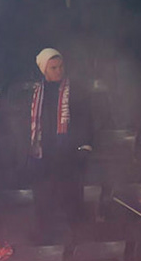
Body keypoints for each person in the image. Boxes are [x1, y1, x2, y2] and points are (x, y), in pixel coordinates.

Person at [13, 48, 91, 237]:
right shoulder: (34, 94)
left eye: (60, 66)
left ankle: (77, 245)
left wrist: (84, 148)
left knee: (73, 208)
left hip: (69, 158)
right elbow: (25, 125)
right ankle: (46, 246)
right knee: (44, 208)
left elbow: (86, 120)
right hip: (42, 159)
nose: (59, 71)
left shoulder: (75, 90)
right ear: (44, 71)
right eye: (53, 68)